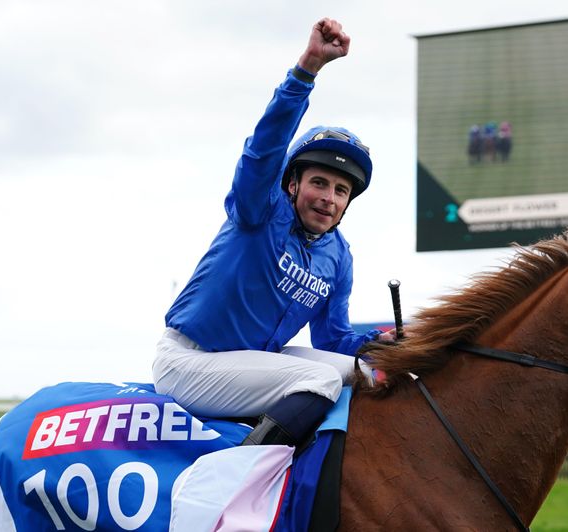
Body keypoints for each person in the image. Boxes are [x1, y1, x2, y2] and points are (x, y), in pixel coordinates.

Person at [152, 18, 392, 449]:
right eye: (319, 183)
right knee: (322, 379)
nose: (329, 199)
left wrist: (383, 343)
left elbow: (333, 338)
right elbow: (264, 148)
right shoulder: (259, 210)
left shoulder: (339, 256)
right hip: (188, 362)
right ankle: (245, 469)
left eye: (340, 191)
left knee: (360, 372)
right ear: (292, 184)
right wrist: (307, 70)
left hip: (253, 362)